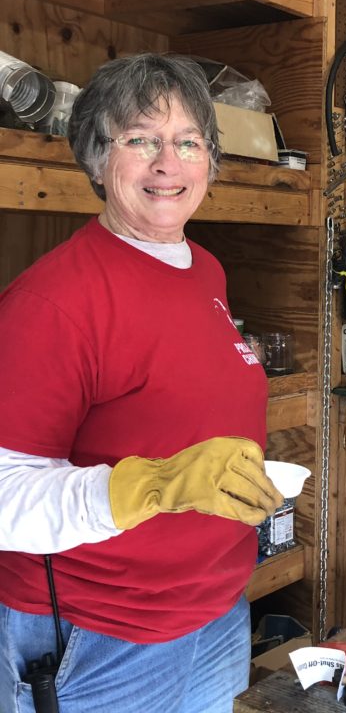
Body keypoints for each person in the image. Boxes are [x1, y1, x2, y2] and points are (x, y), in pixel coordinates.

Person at [0, 53, 284, 713]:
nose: (168, 162)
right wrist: (151, 484)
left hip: (214, 611)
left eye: (188, 142)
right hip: (100, 634)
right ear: (98, 160)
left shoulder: (204, 271)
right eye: (140, 140)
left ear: (210, 162)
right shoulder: (54, 301)